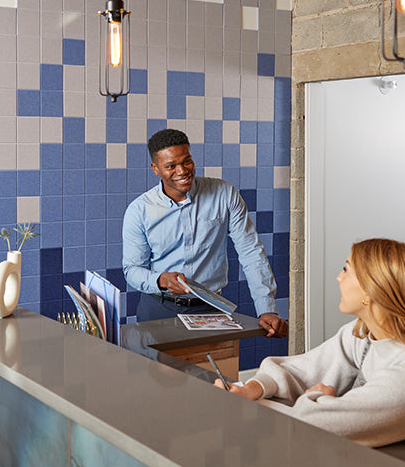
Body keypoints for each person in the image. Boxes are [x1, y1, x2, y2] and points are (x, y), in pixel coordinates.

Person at [218, 238, 405, 466]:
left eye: (346, 269)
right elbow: (302, 369)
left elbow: (313, 426)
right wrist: (254, 387)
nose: (339, 277)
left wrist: (315, 397)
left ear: (372, 290)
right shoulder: (365, 334)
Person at [122, 128, 287, 337]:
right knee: (159, 371)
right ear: (155, 168)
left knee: (212, 370)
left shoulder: (225, 194)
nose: (182, 171)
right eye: (171, 166)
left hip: (210, 309)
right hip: (158, 308)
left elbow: (251, 252)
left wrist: (267, 309)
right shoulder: (139, 210)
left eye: (187, 161)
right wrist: (162, 280)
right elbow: (132, 269)